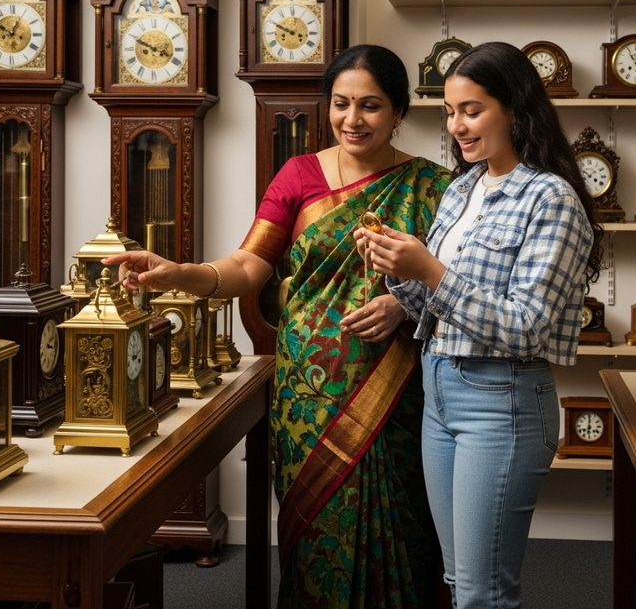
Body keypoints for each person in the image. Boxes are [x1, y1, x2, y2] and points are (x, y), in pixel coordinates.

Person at [103, 44, 453, 608]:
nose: (353, 119)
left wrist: (406, 308)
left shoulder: (435, 187)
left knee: (403, 521)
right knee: (317, 525)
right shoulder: (300, 175)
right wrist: (178, 272)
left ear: (398, 112)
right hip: (308, 393)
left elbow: (452, 284)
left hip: (397, 387)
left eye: (371, 105)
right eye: (341, 104)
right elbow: (247, 266)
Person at [355, 41, 604, 609]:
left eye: (472, 110)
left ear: (515, 109)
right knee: (455, 580)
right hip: (439, 389)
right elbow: (434, 308)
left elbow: (527, 326)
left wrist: (431, 269)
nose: (457, 126)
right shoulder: (463, 188)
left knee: (482, 592)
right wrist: (398, 267)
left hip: (503, 400)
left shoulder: (551, 198)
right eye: (448, 111)